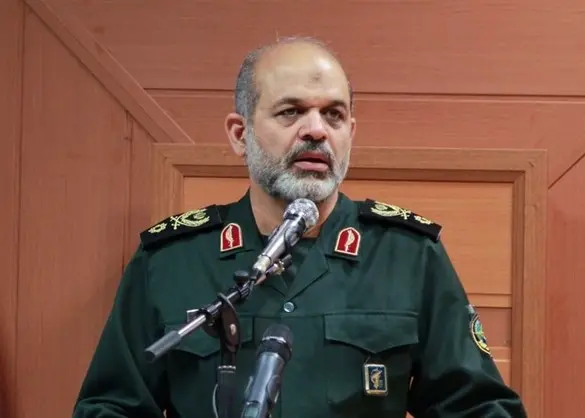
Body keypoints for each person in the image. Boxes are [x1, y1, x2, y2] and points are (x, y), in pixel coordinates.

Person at [73, 37, 528, 417]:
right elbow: (111, 408)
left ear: (350, 132)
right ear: (240, 134)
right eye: (290, 112)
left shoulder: (407, 255)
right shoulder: (171, 262)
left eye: (333, 115)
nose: (316, 130)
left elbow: (479, 408)